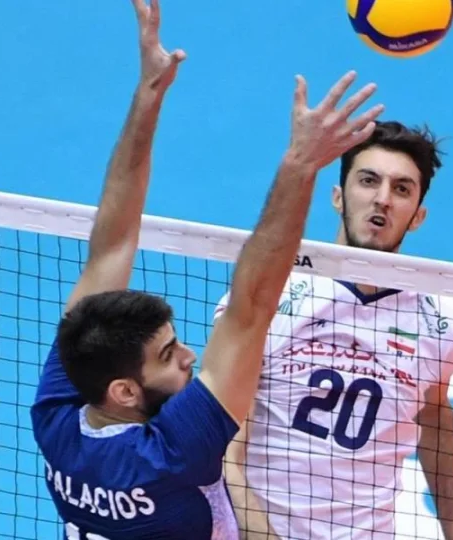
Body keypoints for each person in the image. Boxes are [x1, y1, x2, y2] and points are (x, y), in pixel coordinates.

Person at [29, 1, 385, 537]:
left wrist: (149, 93)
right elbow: (251, 308)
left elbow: (112, 243)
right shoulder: (172, 452)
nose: (189, 355)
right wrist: (301, 165)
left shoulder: (59, 416)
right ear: (124, 392)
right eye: (168, 356)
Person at [215, 121, 453, 539]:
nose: (383, 199)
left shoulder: (441, 328)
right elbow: (224, 455)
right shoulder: (270, 299)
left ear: (418, 216)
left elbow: (435, 419)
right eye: (368, 181)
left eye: (401, 189)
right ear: (338, 197)